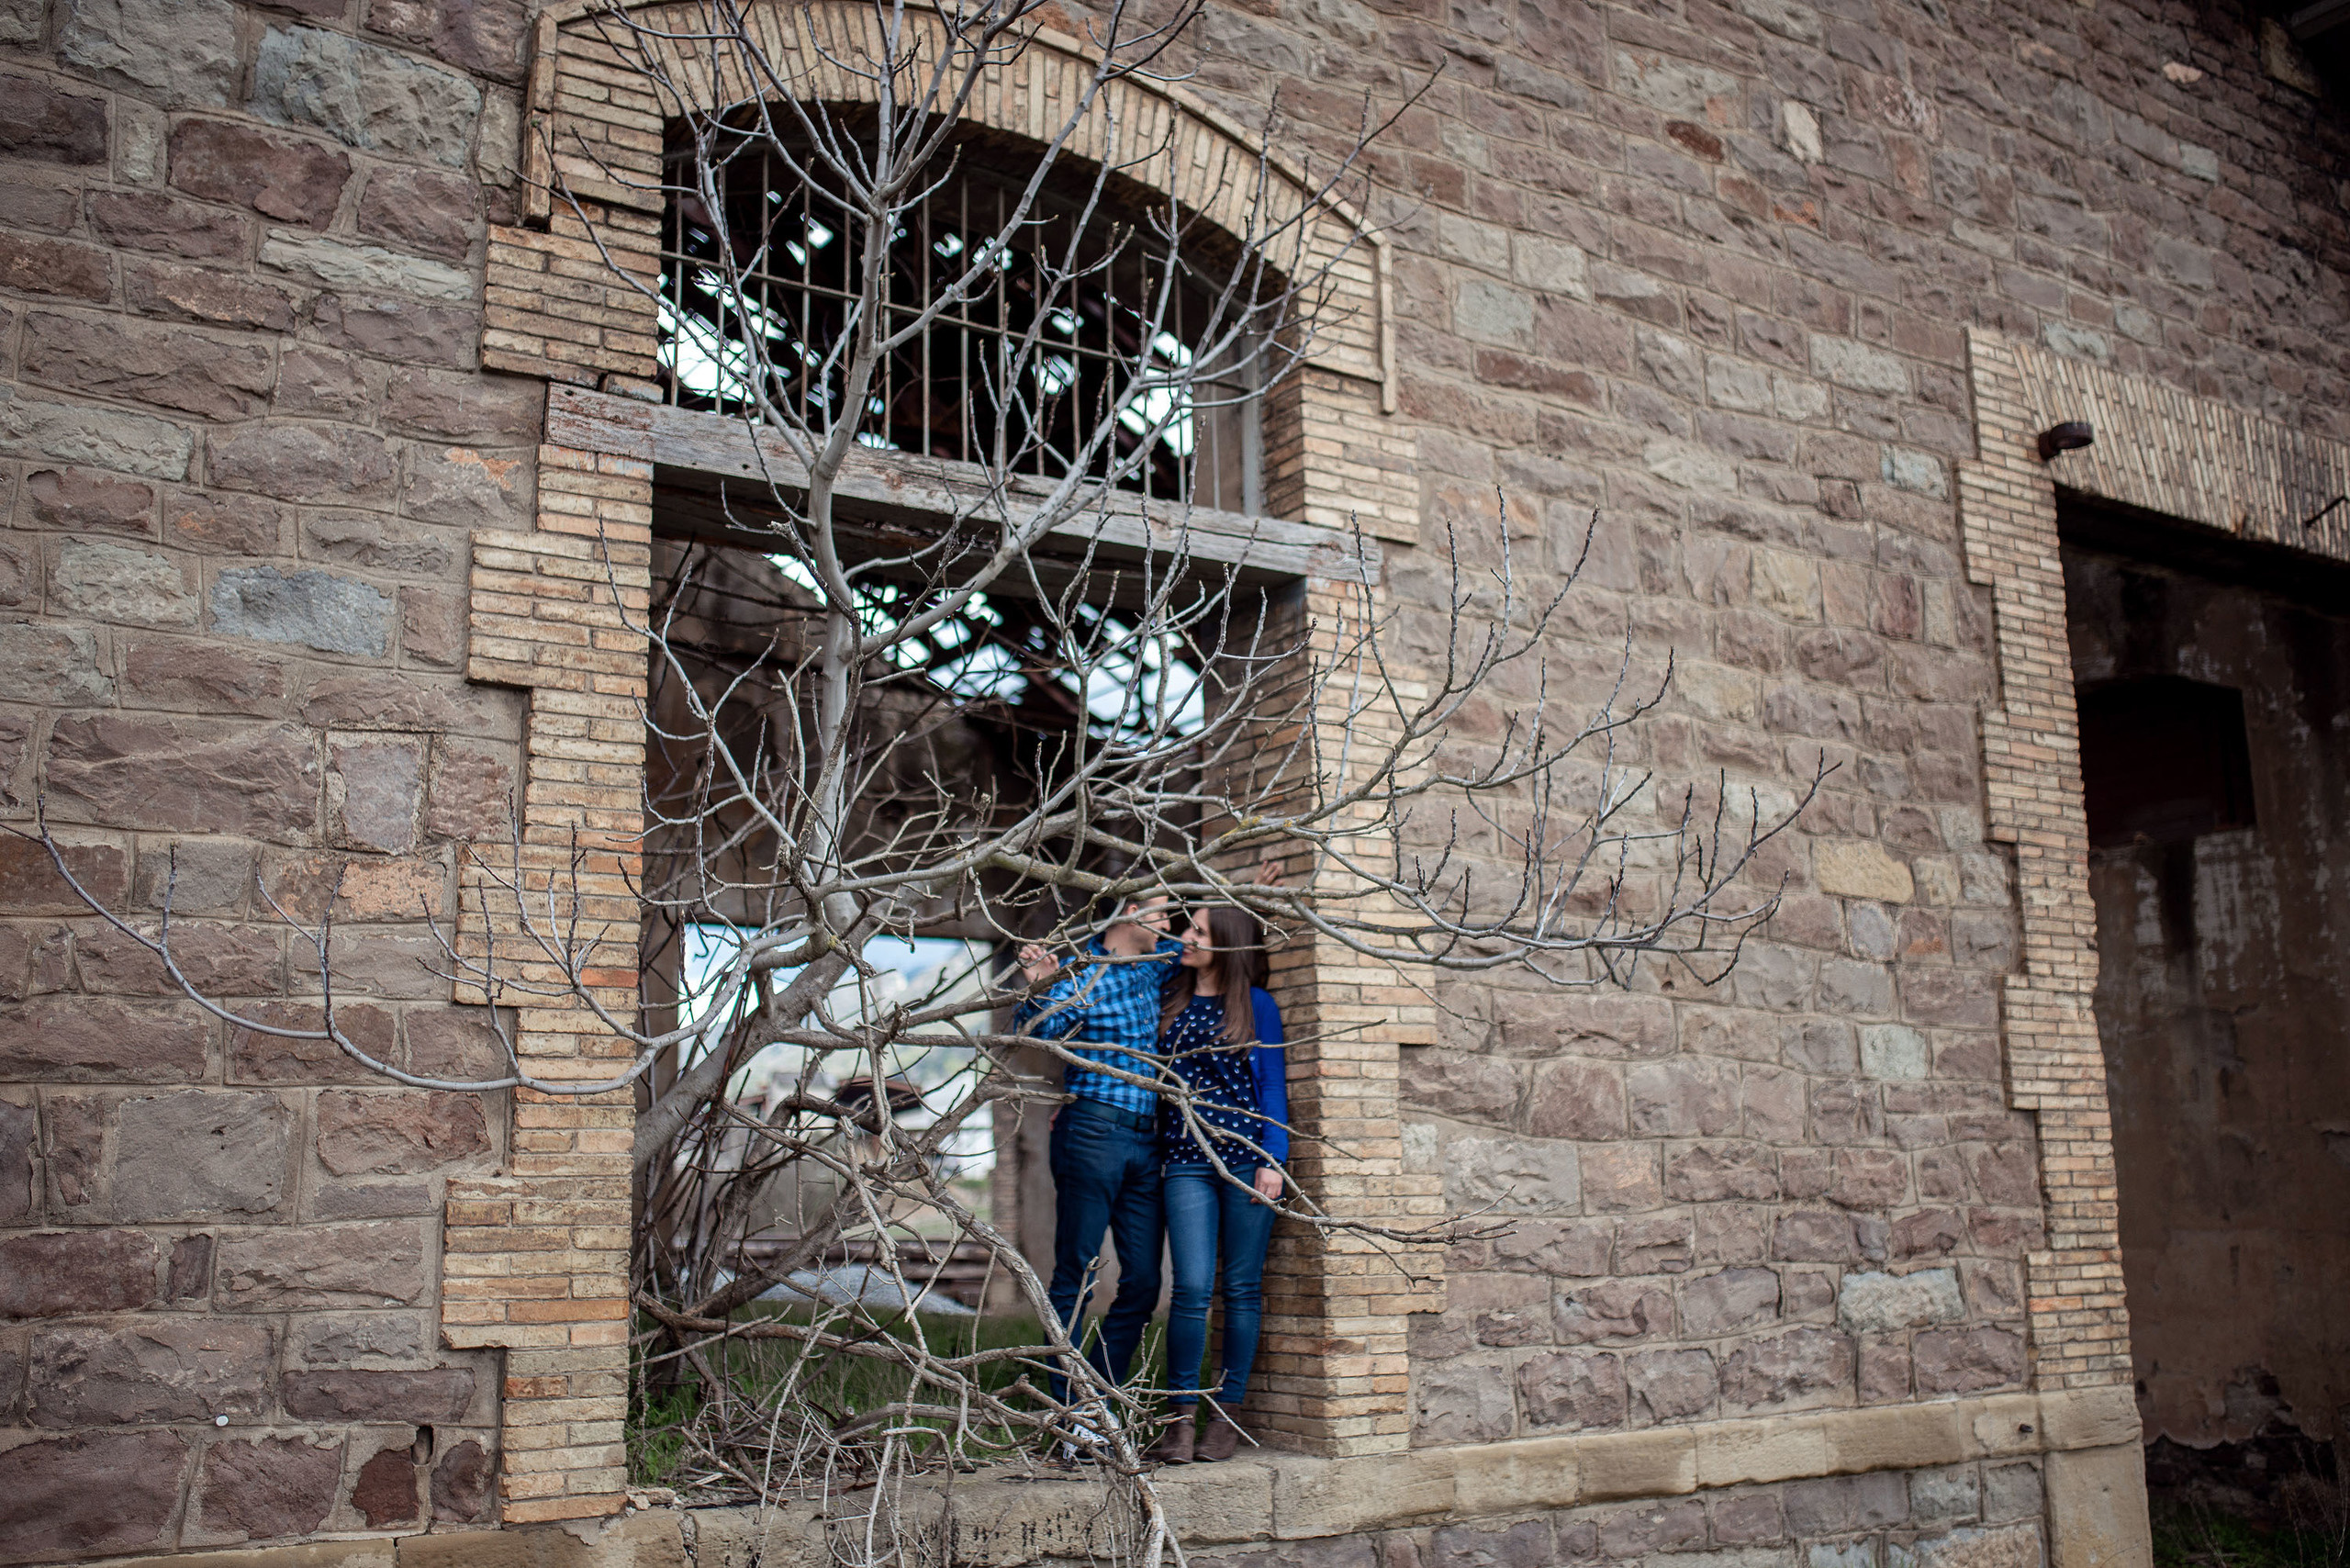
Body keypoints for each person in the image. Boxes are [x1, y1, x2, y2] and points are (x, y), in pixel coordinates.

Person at [1014, 893, 1181, 1434]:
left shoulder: (1159, 963)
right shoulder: (1081, 973)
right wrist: (1039, 983)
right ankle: (1068, 1406)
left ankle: (1099, 1394)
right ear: (1128, 912)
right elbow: (1038, 1030)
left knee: (1143, 1281)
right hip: (1092, 1132)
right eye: (1159, 914)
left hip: (1145, 1140)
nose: (1168, 925)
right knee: (1079, 1272)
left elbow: (1209, 948)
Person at [1145, 904, 1288, 1464]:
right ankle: (1180, 1419)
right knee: (1191, 1288)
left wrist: (1273, 1161)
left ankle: (1225, 1417)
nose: (1185, 937)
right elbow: (1139, 951)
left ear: (1227, 943)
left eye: (1199, 931)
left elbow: (1272, 1089)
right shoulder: (1170, 993)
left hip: (1248, 1162)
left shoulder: (1257, 1006)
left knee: (1242, 1289)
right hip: (1184, 1160)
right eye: (1186, 928)